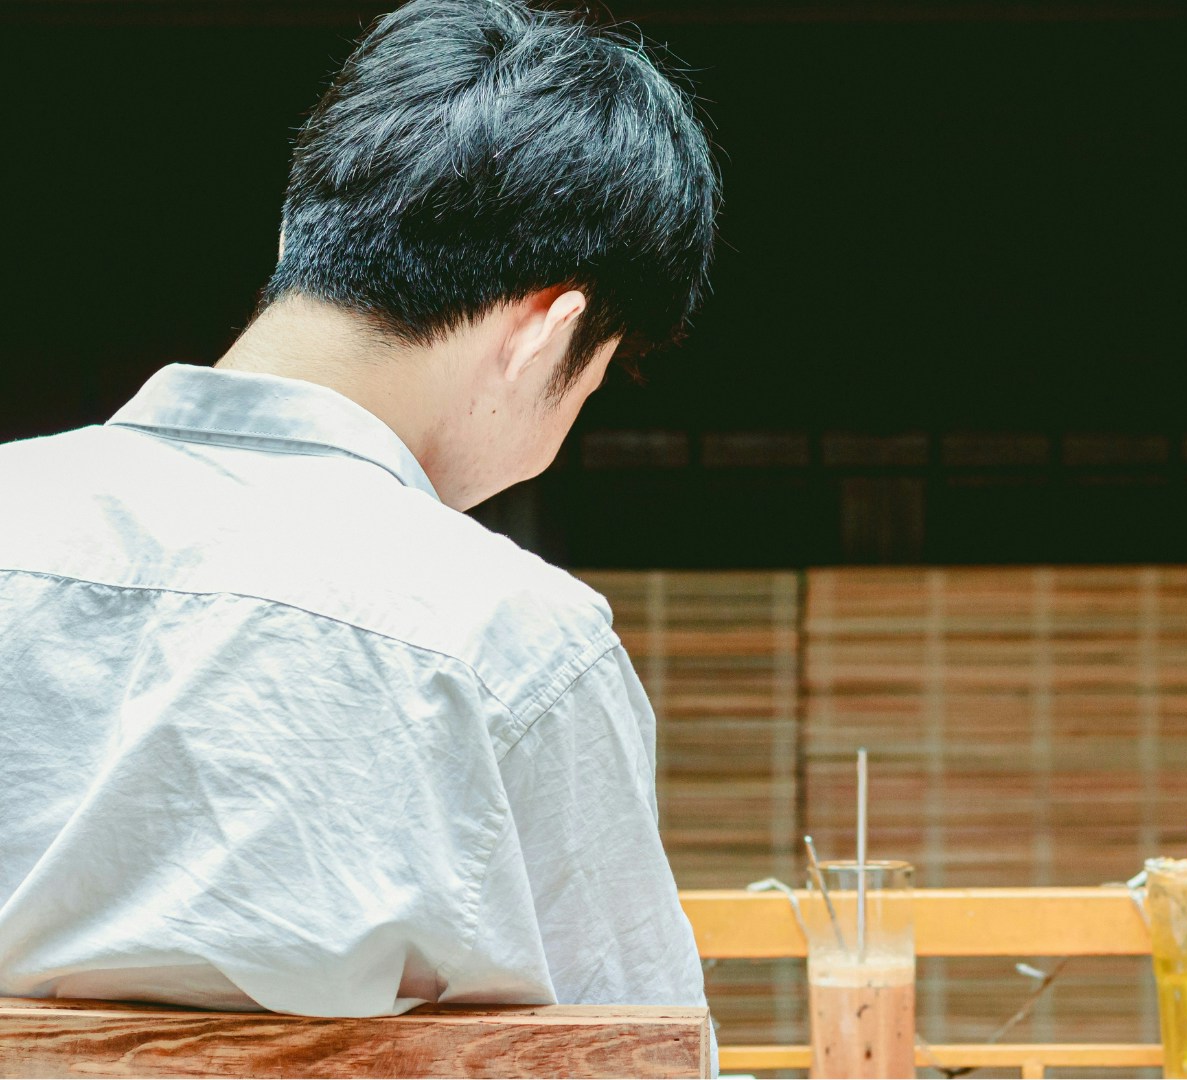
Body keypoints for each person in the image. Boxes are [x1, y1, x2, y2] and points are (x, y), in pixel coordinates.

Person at [0, 0, 719, 1020]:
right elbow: (637, 1046)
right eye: (600, 377)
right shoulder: (513, 644)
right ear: (547, 335)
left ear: (298, 236)